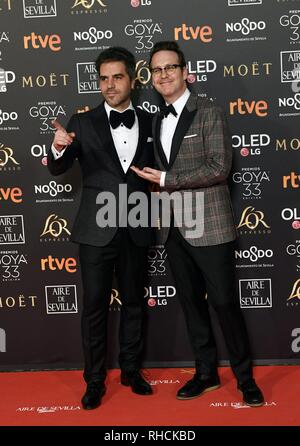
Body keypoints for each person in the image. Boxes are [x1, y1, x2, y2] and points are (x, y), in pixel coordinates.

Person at [131, 41, 264, 407]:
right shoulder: (156, 119)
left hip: (211, 225)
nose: (163, 75)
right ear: (152, 77)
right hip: (173, 227)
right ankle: (205, 372)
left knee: (224, 303)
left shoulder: (209, 111)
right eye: (156, 70)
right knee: (191, 304)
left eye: (170, 67)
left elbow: (219, 168)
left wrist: (166, 181)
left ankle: (245, 378)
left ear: (185, 71)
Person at [48, 47, 154, 410]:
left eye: (117, 77)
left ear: (132, 80)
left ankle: (131, 371)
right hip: (95, 230)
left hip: (137, 224)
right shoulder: (80, 122)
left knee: (135, 304)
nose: (110, 85)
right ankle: (94, 380)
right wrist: (58, 148)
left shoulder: (152, 121)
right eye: (103, 78)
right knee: (93, 307)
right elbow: (58, 170)